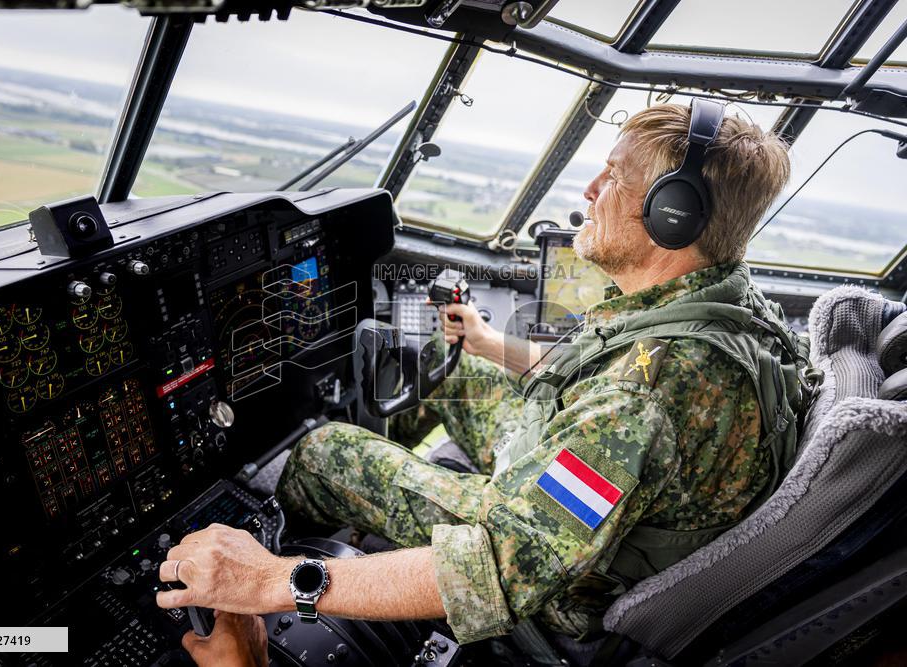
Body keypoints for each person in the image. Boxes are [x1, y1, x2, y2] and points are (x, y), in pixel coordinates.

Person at [156, 102, 806, 655]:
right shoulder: (724, 304)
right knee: (446, 368)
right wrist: (493, 345)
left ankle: (290, 506)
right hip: (618, 509)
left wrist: (271, 578)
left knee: (330, 451)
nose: (589, 191)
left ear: (675, 216)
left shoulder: (648, 393)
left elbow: (496, 569)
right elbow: (602, 387)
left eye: (613, 177)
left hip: (568, 592)